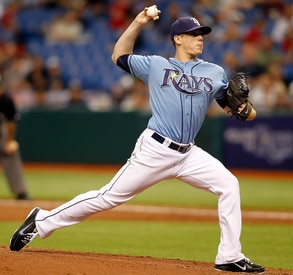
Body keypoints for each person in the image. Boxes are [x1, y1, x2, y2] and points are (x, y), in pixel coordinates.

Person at [9, 6, 265, 274]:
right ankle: (40, 221)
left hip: (189, 154)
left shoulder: (214, 72)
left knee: (228, 185)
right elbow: (119, 55)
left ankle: (229, 256)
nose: (200, 37)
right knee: (108, 197)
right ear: (177, 39)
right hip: (155, 149)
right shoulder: (156, 64)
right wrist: (139, 21)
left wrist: (246, 108)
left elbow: (241, 112)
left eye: (202, 33)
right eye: (193, 33)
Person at [0, 76, 30, 200]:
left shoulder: (6, 100)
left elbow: (11, 123)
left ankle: (21, 192)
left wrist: (9, 141)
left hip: (3, 134)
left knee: (12, 158)